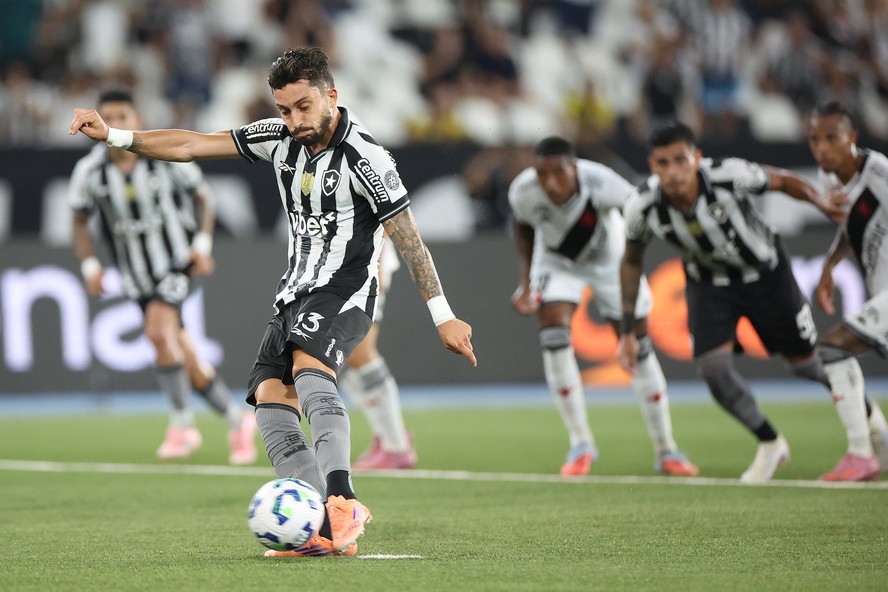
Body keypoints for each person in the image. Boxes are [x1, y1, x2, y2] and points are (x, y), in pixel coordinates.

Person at [69, 48, 476, 557]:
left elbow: (410, 239)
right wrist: (116, 137)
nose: (294, 120)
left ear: (331, 95)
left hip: (347, 287)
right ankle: (313, 527)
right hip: (295, 289)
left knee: (309, 369)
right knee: (268, 395)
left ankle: (343, 500)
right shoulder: (277, 138)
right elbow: (193, 143)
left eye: (303, 107)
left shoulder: (367, 159)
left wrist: (444, 314)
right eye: (284, 109)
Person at [617, 121, 850, 483]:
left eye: (680, 160)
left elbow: (784, 181)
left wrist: (820, 200)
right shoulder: (642, 205)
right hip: (709, 285)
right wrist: (628, 328)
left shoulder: (729, 175)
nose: (673, 172)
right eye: (663, 163)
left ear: (697, 157)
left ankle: (870, 421)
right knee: (713, 370)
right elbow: (631, 260)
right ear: (652, 165)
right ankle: (770, 443)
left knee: (808, 367)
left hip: (766, 274)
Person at [68, 89, 257, 466]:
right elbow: (78, 219)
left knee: (157, 331)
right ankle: (238, 421)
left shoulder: (164, 157)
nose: (114, 123)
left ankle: (183, 425)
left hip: (177, 263)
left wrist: (202, 245)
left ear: (136, 121)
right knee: (183, 354)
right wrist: (90, 266)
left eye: (122, 116)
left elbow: (204, 197)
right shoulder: (89, 171)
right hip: (136, 276)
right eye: (108, 116)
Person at [509, 136, 699, 478]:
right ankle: (580, 443)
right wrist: (525, 282)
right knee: (553, 337)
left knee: (639, 349)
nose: (550, 183)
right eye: (542, 174)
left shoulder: (603, 182)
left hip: (612, 264)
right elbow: (523, 227)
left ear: (576, 169)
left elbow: (640, 217)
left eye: (559, 173)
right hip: (556, 263)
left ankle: (666, 449)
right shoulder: (522, 191)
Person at [808, 101, 888, 481]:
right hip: (880, 293)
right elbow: (853, 226)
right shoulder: (836, 182)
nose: (822, 147)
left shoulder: (878, 171)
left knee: (833, 348)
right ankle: (878, 446)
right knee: (835, 350)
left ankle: (862, 451)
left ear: (852, 138)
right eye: (814, 140)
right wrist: (829, 265)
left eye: (831, 138)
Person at [342, 238, 417, 470]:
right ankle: (387, 434)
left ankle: (396, 445)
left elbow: (380, 211)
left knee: (360, 352)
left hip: (365, 262)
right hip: (338, 265)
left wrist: (379, 260)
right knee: (344, 358)